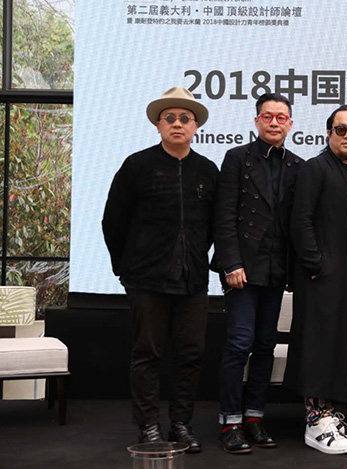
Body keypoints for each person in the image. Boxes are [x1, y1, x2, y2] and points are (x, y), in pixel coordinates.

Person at [102, 86, 218, 452]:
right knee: (147, 354)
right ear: (158, 125)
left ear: (196, 126)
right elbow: (113, 221)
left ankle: (181, 425)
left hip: (192, 280)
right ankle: (148, 426)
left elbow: (215, 226)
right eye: (170, 118)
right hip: (145, 279)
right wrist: (125, 268)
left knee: (190, 355)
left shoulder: (207, 170)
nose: (177, 124)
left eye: (185, 118)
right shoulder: (137, 166)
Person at [213, 92, 304, 454]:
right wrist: (231, 263)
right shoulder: (237, 158)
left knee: (265, 344)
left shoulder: (298, 166)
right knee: (239, 343)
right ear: (256, 121)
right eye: (268, 117)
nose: (274, 123)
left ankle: (254, 417)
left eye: (281, 118)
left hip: (276, 269)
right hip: (243, 269)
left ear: (290, 124)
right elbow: (223, 215)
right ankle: (230, 422)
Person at [284, 105, 347, 455]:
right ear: (329, 132)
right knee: (318, 344)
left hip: (344, 270)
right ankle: (315, 422)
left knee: (340, 342)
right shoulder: (314, 168)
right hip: (318, 272)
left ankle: (332, 415)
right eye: (340, 129)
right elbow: (300, 219)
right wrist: (315, 263)